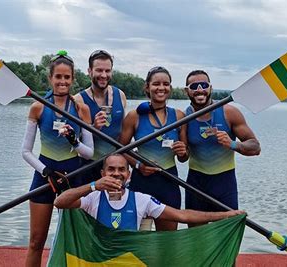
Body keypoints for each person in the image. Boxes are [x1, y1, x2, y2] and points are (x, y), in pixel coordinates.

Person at [21, 51, 94, 267]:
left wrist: (74, 141)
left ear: (73, 79)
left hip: (73, 177)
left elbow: (89, 153)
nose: (62, 82)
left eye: (67, 77)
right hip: (45, 177)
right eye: (58, 77)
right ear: (50, 79)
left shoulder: (82, 109)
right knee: (36, 242)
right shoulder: (38, 107)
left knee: (78, 242)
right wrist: (46, 171)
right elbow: (25, 151)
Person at [54, 154, 245, 231]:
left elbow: (182, 215)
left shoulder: (142, 200)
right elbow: (60, 202)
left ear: (129, 175)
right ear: (103, 173)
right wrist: (93, 185)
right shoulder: (92, 197)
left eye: (122, 170)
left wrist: (226, 215)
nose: (116, 174)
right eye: (111, 170)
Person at [183, 70, 260, 227]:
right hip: (196, 183)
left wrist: (233, 144)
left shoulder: (229, 113)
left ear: (210, 88)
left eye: (203, 85)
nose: (199, 90)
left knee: (228, 231)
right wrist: (180, 151)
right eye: (194, 86)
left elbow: (255, 146)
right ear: (187, 91)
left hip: (224, 183)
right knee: (195, 234)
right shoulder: (183, 118)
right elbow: (183, 157)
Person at [118, 66, 189, 231]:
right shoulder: (134, 116)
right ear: (147, 87)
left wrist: (183, 152)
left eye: (166, 84)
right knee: (139, 241)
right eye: (156, 83)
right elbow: (120, 148)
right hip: (141, 182)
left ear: (170, 88)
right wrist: (137, 165)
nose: (161, 88)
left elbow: (184, 157)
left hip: (169, 182)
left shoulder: (179, 116)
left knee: (167, 241)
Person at [74, 50, 127, 182]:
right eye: (99, 70)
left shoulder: (120, 95)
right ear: (89, 71)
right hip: (87, 166)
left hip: (114, 167)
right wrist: (93, 128)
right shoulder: (78, 100)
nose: (104, 75)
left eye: (107, 71)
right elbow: (71, 141)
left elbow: (123, 133)